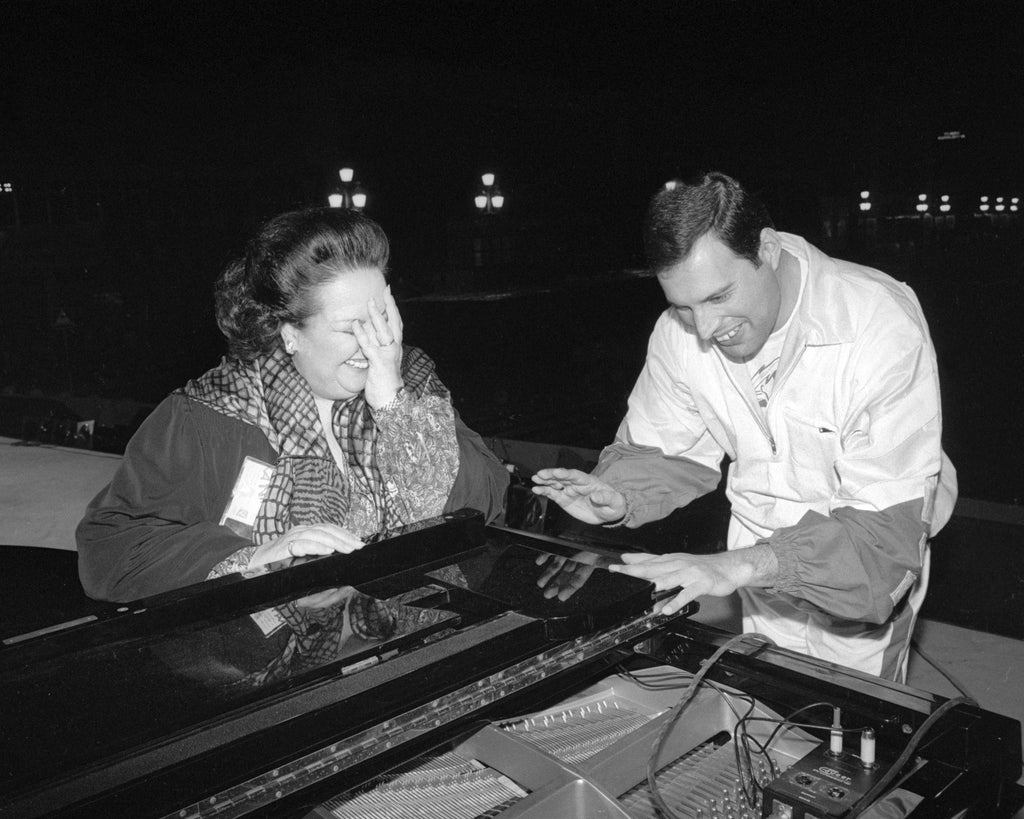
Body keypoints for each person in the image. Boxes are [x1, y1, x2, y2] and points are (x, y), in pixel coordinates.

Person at [532, 172, 957, 681]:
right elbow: (667, 448)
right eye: (684, 307)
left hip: (857, 566)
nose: (706, 330)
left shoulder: (877, 322)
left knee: (854, 726)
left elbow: (882, 541)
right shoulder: (679, 333)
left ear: (768, 249)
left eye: (718, 297)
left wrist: (733, 567)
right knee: (765, 702)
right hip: (754, 560)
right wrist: (618, 495)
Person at [78, 208, 509, 602]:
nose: (375, 342)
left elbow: (486, 504)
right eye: (350, 327)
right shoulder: (208, 415)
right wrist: (255, 556)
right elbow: (112, 549)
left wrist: (394, 403)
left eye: (382, 317)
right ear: (290, 333)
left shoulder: (410, 380)